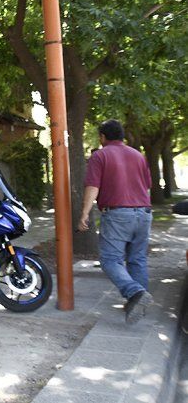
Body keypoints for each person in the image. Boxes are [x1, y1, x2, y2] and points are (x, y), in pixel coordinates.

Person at [78, 119, 153, 324]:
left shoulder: (100, 155)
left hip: (118, 214)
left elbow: (93, 186)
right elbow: (147, 186)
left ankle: (135, 293)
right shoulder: (138, 155)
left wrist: (85, 213)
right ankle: (137, 304)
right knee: (137, 260)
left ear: (103, 137)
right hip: (144, 213)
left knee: (110, 260)